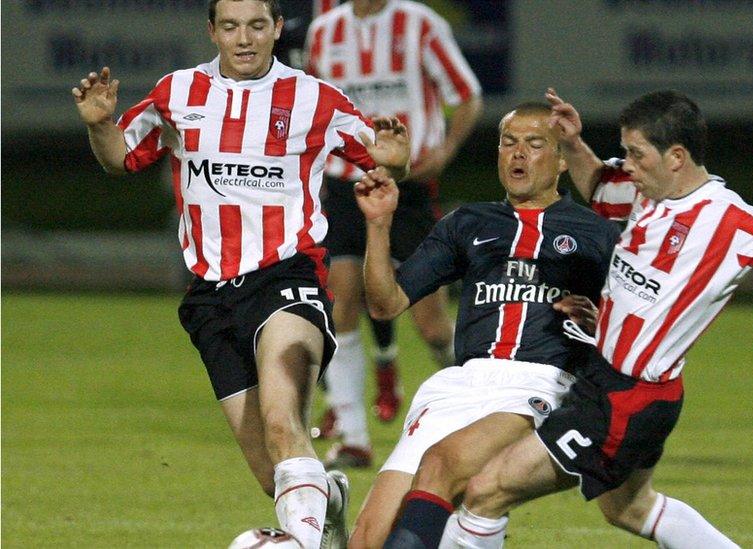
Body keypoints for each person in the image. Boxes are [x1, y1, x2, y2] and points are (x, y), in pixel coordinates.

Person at [390, 90, 753, 549]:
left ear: (676, 157)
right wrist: (575, 143)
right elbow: (592, 183)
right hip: (626, 388)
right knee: (632, 510)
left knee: (487, 491)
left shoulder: (734, 222)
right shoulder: (642, 193)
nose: (626, 166)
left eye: (636, 154)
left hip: (626, 398)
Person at [71, 0, 411, 547]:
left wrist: (397, 158)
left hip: (287, 278)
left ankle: (301, 544)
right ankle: (331, 501)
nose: (245, 38)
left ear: (278, 28)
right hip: (210, 296)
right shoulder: (177, 92)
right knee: (274, 469)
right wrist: (100, 125)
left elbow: (384, 157)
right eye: (231, 26)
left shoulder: (314, 98)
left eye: (257, 25)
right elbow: (120, 158)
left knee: (283, 420)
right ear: (213, 31)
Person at [348, 102, 619, 549]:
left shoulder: (596, 234)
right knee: (366, 539)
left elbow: (641, 319)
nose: (518, 155)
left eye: (535, 145)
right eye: (509, 143)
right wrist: (379, 226)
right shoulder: (467, 224)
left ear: (562, 160)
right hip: (460, 383)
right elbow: (385, 305)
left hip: (540, 382)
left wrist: (601, 323)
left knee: (442, 466)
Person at [303, 0, 484, 469]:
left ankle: (480, 410)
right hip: (347, 184)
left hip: (410, 184)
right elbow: (314, 109)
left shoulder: (419, 24)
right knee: (340, 298)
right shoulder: (324, 32)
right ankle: (354, 436)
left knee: (430, 321)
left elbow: (467, 95)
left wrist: (444, 151)